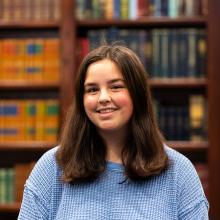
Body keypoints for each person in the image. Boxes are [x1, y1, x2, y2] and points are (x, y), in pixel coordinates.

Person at [18, 45, 209, 219]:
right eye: (92, 89)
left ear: (137, 94)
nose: (103, 98)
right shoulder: (52, 167)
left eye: (116, 87)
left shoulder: (179, 172)